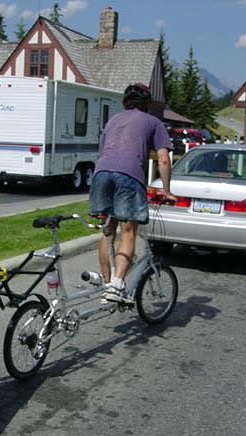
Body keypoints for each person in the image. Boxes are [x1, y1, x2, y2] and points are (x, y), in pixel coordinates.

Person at [88, 83, 175, 304]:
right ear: (147, 103)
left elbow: (103, 154)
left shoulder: (113, 121)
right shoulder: (154, 122)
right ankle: (117, 285)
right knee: (128, 232)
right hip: (129, 176)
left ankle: (107, 285)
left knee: (108, 232)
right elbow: (163, 159)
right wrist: (166, 190)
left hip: (101, 173)